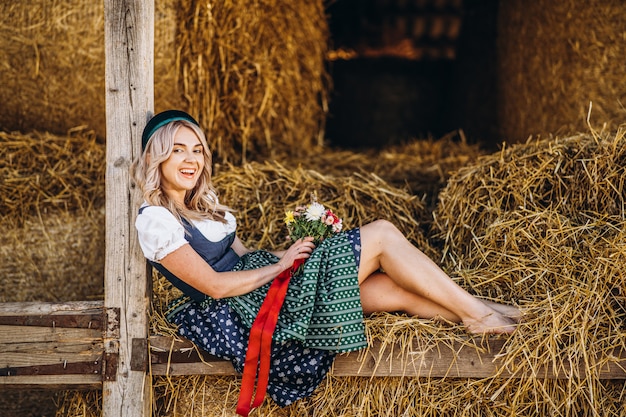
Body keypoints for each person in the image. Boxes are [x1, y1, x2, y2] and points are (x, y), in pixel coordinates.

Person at [131, 110, 520, 409]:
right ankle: (478, 315)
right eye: (178, 150)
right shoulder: (156, 221)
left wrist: (297, 249)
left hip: (258, 285)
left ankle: (499, 315)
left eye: (197, 150)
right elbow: (214, 286)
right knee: (382, 233)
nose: (191, 159)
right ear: (157, 157)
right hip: (246, 309)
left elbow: (244, 256)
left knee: (390, 290)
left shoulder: (205, 206)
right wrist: (281, 268)